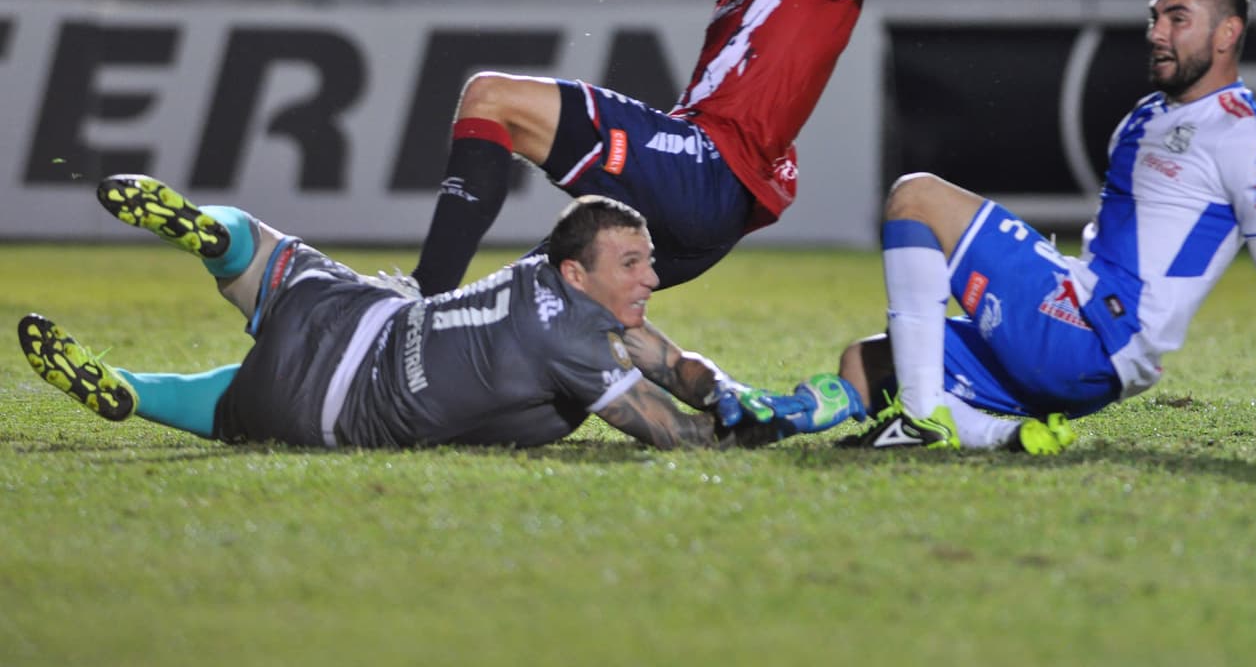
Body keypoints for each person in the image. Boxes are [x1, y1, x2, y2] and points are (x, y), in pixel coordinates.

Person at [409, 0, 1142, 297]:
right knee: (539, 293)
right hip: (707, 210)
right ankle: (710, 400)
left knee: (490, 97)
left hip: (710, 172)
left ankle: (421, 302)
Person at [17, 175, 863, 451]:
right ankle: (130, 389)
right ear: (579, 270)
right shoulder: (574, 339)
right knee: (218, 404)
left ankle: (206, 228)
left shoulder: (549, 276)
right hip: (331, 410)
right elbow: (669, 430)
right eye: (633, 263)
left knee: (265, 254)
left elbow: (668, 361)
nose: (650, 276)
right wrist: (753, 428)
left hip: (353, 317)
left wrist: (724, 385)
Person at [838, 0, 1256, 453]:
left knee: (917, 198)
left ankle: (920, 418)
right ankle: (1000, 435)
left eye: (1178, 19)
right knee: (866, 365)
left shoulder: (1245, 138)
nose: (1157, 33)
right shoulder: (1148, 115)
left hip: (1095, 338)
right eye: (1155, 16)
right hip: (1081, 349)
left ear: (1228, 33)